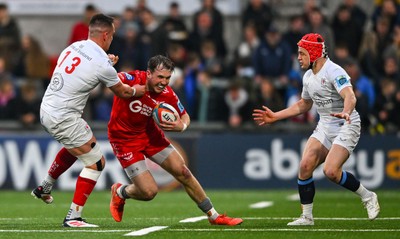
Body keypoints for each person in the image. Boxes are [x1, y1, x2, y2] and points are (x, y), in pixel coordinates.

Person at [31, 13, 145, 228]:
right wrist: (140, 89)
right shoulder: (102, 63)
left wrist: (106, 62)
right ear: (105, 35)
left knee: (77, 147)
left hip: (47, 109)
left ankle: (45, 186)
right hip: (63, 116)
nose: (112, 39)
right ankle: (73, 217)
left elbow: (86, 69)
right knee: (96, 162)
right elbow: (121, 92)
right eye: (111, 36)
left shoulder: (73, 47)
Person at [253, 33, 380, 226]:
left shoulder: (334, 71)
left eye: (302, 53)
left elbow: (350, 97)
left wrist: (345, 113)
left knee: (331, 171)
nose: (298, 57)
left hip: (347, 123)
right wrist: (276, 116)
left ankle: (368, 196)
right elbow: (304, 104)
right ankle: (307, 217)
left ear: (313, 53)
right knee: (305, 166)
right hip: (325, 124)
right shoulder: (308, 77)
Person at [108, 55, 243, 226]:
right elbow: (112, 79)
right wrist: (110, 68)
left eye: (168, 78)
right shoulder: (133, 78)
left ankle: (214, 216)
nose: (164, 82)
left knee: (184, 172)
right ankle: (120, 191)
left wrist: (182, 126)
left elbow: (185, 116)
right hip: (124, 140)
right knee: (149, 192)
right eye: (160, 77)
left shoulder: (167, 94)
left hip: (150, 136)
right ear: (148, 74)